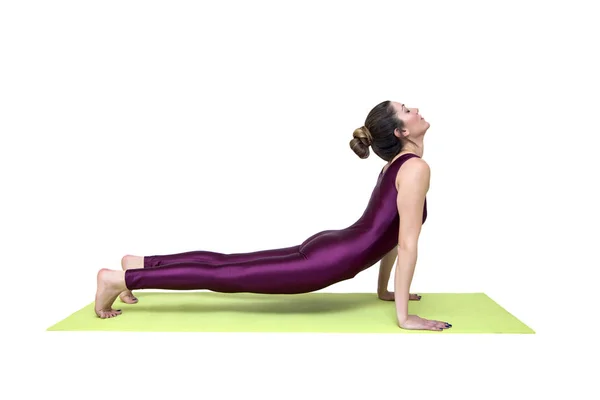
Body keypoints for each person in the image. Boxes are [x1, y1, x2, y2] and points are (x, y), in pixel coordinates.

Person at [94, 100, 452, 332]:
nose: (416, 109)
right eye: (407, 110)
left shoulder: (400, 166)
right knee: (226, 275)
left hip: (330, 247)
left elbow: (391, 238)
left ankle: (139, 262)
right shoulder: (415, 168)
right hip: (324, 261)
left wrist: (385, 291)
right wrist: (405, 318)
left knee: (225, 264)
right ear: (401, 132)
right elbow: (405, 244)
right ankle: (120, 279)